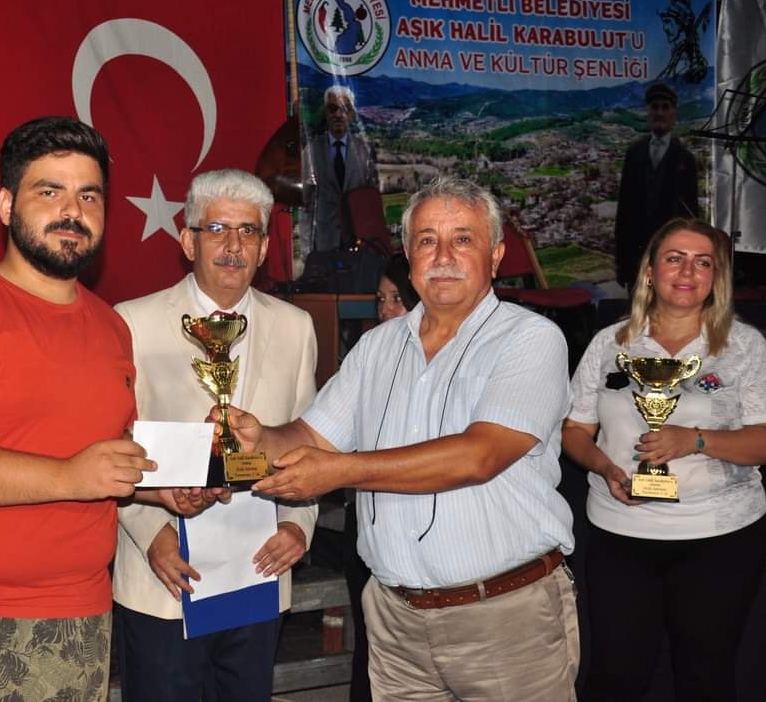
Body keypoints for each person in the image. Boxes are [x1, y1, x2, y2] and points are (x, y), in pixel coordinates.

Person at [0, 116, 198, 702]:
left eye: (89, 196)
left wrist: (161, 488)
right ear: (6, 205)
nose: (72, 210)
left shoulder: (110, 328)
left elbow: (100, 457)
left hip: (78, 613)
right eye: (50, 191)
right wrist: (69, 476)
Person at [235, 176, 579, 701]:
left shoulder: (530, 339)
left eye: (462, 239)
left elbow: (479, 456)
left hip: (503, 619)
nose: (443, 256)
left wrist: (343, 472)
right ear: (409, 255)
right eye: (427, 240)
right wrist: (260, 439)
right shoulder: (377, 346)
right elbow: (311, 436)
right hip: (395, 622)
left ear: (495, 256)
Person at [112, 169, 318, 702]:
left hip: (258, 572)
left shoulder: (296, 327)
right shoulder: (131, 323)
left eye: (248, 231)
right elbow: (112, 446)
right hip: (166, 576)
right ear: (188, 241)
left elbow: (309, 441)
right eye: (217, 229)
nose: (233, 245)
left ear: (265, 247)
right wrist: (149, 532)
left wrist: (298, 525)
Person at [563, 218, 766, 702]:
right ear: (650, 271)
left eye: (703, 263)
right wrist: (604, 468)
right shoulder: (610, 343)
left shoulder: (745, 346)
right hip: (620, 533)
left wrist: (695, 440)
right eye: (674, 258)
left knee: (706, 679)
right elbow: (574, 431)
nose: (688, 272)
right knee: (616, 678)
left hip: (719, 535)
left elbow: (763, 440)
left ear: (716, 277)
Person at [341, 251, 419, 702]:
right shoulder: (367, 354)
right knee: (370, 642)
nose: (387, 309)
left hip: (422, 526)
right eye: (380, 299)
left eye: (397, 299)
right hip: (370, 516)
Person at [614, 82, 699, 289]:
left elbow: (690, 214)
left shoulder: (686, 159)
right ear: (648, 113)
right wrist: (622, 261)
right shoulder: (634, 153)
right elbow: (624, 208)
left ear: (674, 114)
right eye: (655, 107)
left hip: (671, 253)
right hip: (637, 253)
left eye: (665, 107)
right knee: (637, 305)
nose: (659, 113)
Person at [300, 85, 380, 259]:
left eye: (344, 109)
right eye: (332, 108)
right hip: (324, 244)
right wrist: (306, 251)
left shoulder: (365, 151)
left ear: (351, 114)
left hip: (358, 242)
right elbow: (306, 205)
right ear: (325, 113)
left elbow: (373, 201)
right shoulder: (311, 152)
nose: (338, 114)